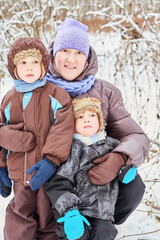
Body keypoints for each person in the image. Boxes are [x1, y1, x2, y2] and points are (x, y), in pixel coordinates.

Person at [45, 18, 150, 226]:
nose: (71, 59)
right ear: (53, 54)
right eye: (65, 50)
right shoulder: (37, 92)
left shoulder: (106, 92)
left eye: (78, 53)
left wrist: (119, 157)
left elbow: (136, 136)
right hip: (53, 180)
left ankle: (102, 221)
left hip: (94, 179)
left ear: (88, 58)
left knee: (133, 184)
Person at [0, 37, 74, 240]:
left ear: (44, 65)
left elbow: (63, 128)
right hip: (18, 171)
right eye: (23, 63)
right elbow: (1, 132)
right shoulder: (8, 98)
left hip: (46, 171)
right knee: (19, 213)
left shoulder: (56, 95)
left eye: (35, 62)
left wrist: (51, 160)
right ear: (14, 68)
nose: (29, 67)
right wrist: (1, 165)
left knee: (46, 214)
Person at [46, 97, 124, 240]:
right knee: (77, 235)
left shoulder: (113, 146)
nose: (87, 120)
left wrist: (125, 170)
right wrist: (70, 211)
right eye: (80, 117)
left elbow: (123, 161)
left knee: (105, 232)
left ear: (100, 120)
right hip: (75, 211)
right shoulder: (74, 149)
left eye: (92, 115)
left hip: (102, 212)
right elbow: (59, 183)